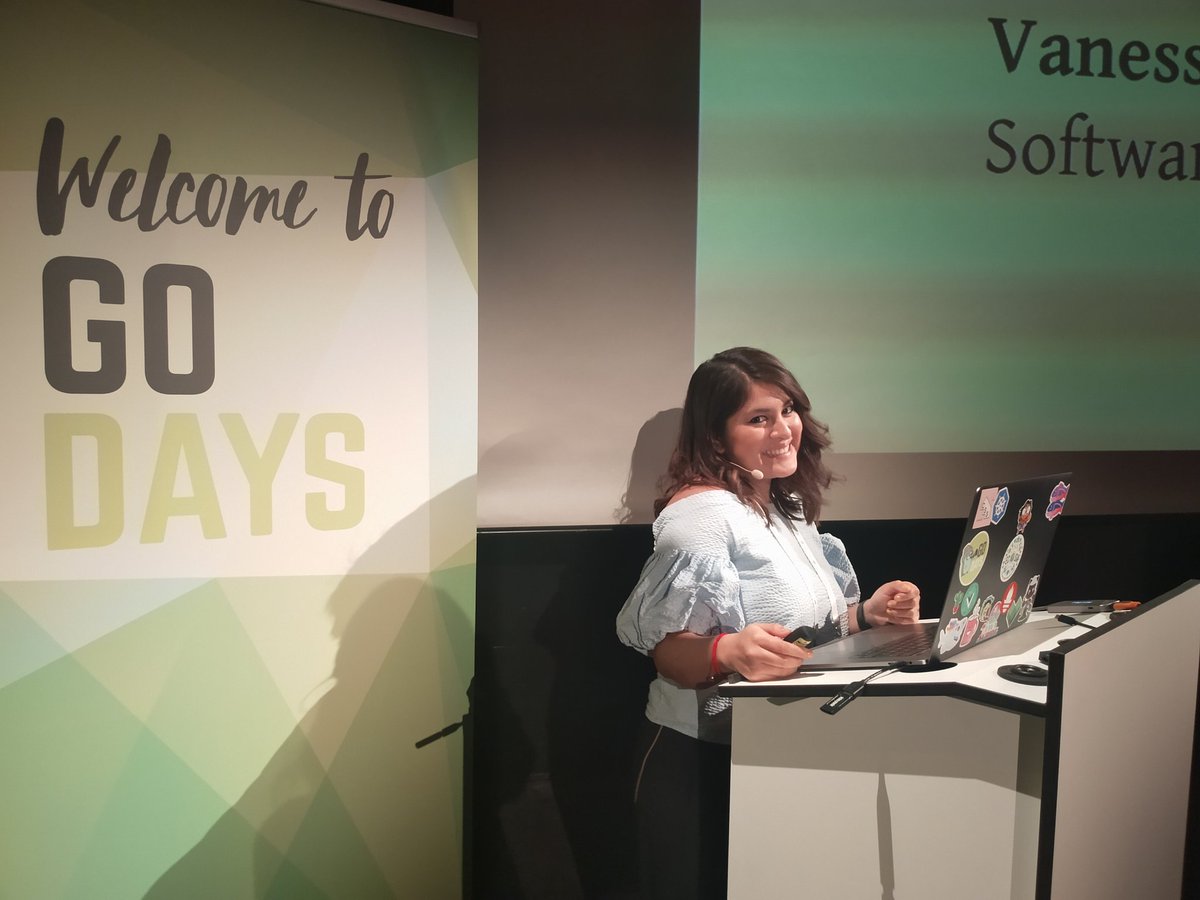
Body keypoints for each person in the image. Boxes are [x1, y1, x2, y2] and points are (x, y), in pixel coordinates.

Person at [615, 347, 921, 900]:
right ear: (716, 437)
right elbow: (668, 652)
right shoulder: (700, 518)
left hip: (778, 746)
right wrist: (727, 652)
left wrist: (866, 615)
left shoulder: (785, 506)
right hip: (699, 760)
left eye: (788, 411)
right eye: (758, 418)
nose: (784, 430)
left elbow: (799, 633)